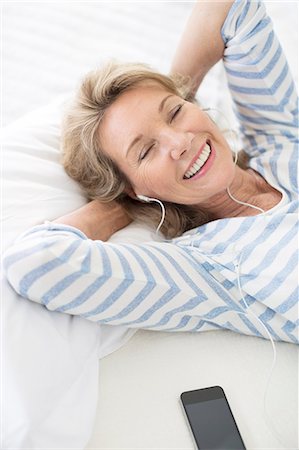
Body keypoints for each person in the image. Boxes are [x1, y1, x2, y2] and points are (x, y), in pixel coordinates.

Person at [3, 0, 298, 344]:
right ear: (135, 188)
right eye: (146, 151)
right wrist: (118, 207)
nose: (179, 142)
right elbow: (36, 263)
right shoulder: (207, 268)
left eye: (174, 113)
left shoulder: (279, 141)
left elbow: (231, 8)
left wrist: (178, 88)